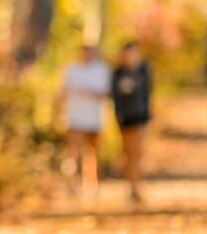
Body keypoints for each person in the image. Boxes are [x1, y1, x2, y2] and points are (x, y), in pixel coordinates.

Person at [61, 43, 111, 197]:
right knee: (73, 153)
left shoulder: (101, 70)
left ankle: (93, 185)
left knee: (93, 153)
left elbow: (104, 93)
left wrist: (86, 92)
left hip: (94, 119)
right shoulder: (71, 70)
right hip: (74, 118)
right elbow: (63, 92)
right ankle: (72, 184)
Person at [110, 41, 152, 203]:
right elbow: (115, 96)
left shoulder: (143, 71)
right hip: (124, 118)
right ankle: (131, 185)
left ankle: (136, 185)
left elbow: (147, 94)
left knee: (137, 153)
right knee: (127, 153)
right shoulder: (118, 73)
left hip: (140, 116)